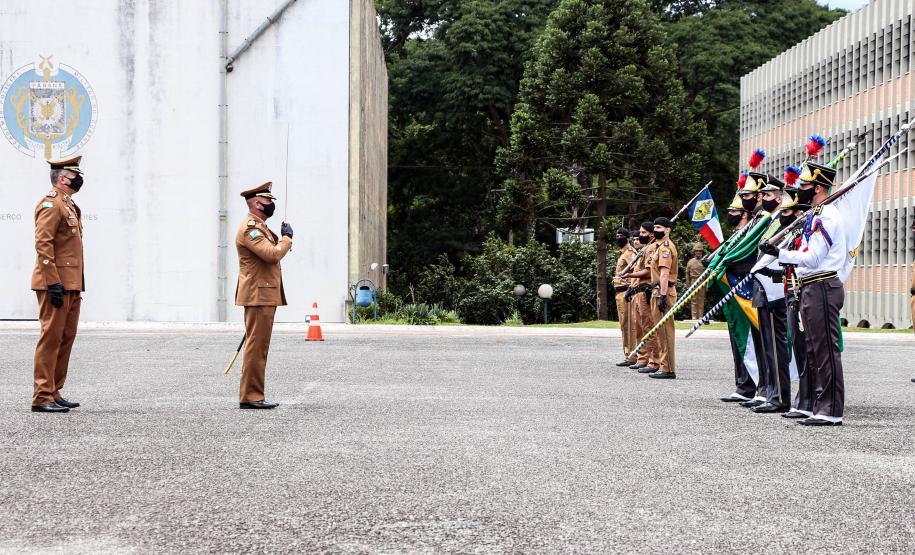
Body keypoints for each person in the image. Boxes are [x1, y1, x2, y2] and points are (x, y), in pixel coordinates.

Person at [761, 161, 846, 426]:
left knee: (825, 351)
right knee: (811, 350)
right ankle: (815, 404)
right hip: (810, 286)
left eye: (805, 185)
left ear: (818, 187)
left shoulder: (827, 217)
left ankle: (831, 410)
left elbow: (814, 257)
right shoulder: (815, 214)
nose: (800, 190)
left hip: (822, 285)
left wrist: (781, 254)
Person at [30, 156, 86, 413]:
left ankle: (54, 391)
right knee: (51, 339)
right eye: (75, 176)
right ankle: (42, 397)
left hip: (71, 284)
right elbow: (43, 245)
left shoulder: (68, 204)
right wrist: (53, 283)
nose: (79, 179)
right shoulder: (51, 204)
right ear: (63, 178)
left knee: (65, 338)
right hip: (55, 284)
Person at [235, 182, 293, 409]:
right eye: (268, 201)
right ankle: (251, 396)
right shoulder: (250, 229)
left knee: (259, 346)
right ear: (258, 203)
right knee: (256, 347)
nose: (271, 205)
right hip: (258, 295)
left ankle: (253, 394)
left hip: (262, 294)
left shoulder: (260, 227)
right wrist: (286, 238)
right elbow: (271, 255)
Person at [749, 175, 792, 414]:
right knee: (768, 346)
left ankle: (779, 397)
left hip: (775, 289)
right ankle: (769, 392)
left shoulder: (784, 222)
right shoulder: (770, 221)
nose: (761, 199)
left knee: (776, 347)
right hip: (764, 287)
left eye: (766, 195)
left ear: (778, 198)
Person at [718, 195, 758, 403]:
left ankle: (751, 385)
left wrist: (732, 267)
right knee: (738, 339)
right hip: (734, 296)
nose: (730, 215)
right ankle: (743, 384)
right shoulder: (736, 235)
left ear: (744, 214)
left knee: (748, 340)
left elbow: (751, 263)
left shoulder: (751, 234)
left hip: (746, 295)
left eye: (734, 211)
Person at [778, 188, 813, 419]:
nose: (786, 216)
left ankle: (808, 401)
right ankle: (803, 399)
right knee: (799, 351)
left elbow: (804, 261)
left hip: (801, 292)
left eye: (790, 211)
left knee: (806, 350)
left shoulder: (805, 235)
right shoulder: (794, 235)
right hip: (791, 292)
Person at [622, 222, 659, 372]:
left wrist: (630, 275)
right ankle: (643, 357)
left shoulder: (652, 248)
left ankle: (653, 360)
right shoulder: (644, 250)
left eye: (643, 233)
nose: (640, 236)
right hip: (637, 292)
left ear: (651, 234)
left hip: (645, 291)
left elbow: (648, 271)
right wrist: (630, 287)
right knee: (639, 328)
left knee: (649, 327)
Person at [646, 217, 678, 379]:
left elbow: (665, 274)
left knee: (665, 332)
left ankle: (668, 368)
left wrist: (663, 296)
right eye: (655, 227)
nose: (655, 230)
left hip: (663, 291)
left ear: (667, 229)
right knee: (659, 331)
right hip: (657, 290)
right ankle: (664, 366)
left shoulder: (666, 247)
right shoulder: (658, 247)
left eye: (659, 227)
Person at [613, 228, 639, 366]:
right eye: (617, 236)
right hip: (619, 292)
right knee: (624, 325)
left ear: (627, 238)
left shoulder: (630, 253)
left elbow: (636, 270)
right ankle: (627, 354)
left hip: (626, 292)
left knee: (629, 325)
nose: (618, 238)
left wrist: (631, 286)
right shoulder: (622, 253)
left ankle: (632, 356)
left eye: (621, 236)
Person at [685, 244, 706, 320]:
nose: (698, 252)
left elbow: (708, 273)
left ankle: (700, 316)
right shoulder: (690, 262)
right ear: (694, 252)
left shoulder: (704, 261)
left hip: (702, 281)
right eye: (697, 251)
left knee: (701, 299)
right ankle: (694, 316)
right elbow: (687, 273)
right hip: (693, 281)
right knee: (694, 299)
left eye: (700, 251)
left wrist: (707, 284)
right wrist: (688, 284)